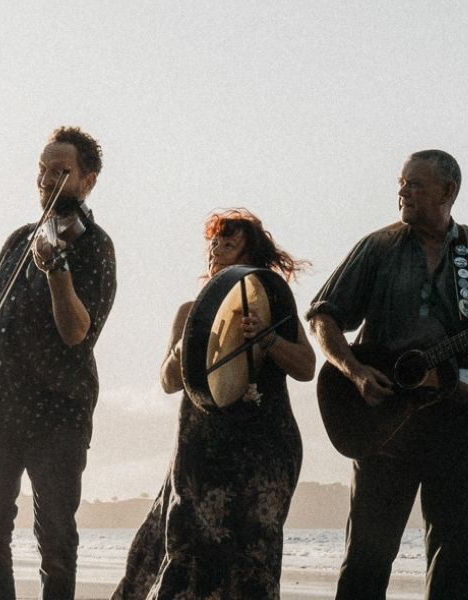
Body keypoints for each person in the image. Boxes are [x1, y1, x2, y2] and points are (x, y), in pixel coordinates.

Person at [307, 150, 468, 600]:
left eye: (416, 184)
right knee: (367, 555)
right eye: (402, 183)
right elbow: (323, 317)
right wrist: (356, 371)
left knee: (453, 556)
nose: (403, 191)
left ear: (448, 192)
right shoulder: (377, 246)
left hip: (463, 418)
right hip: (386, 418)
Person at [0, 126, 117, 600]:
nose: (47, 181)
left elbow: (76, 332)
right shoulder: (21, 238)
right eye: (42, 172)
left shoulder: (95, 247)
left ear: (88, 180)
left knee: (56, 542)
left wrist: (57, 271)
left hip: (57, 413)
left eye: (61, 172)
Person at [113, 208, 317, 600]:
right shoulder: (190, 312)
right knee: (186, 541)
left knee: (255, 548)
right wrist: (183, 345)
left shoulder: (274, 305)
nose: (216, 249)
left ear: (251, 258)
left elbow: (307, 367)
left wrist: (268, 340)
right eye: (214, 242)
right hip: (201, 446)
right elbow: (169, 382)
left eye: (229, 243)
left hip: (264, 447)